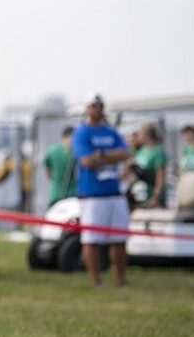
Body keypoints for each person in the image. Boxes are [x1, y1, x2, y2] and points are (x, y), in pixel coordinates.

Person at [71, 93, 131, 287]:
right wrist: (110, 156)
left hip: (114, 192)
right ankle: (95, 279)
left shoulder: (111, 131)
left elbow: (124, 153)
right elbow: (86, 160)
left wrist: (102, 155)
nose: (97, 109)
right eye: (93, 105)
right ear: (87, 108)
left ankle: (120, 278)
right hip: (92, 194)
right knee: (92, 239)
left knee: (119, 238)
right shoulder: (81, 133)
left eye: (100, 105)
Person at [131, 123, 168, 209]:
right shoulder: (141, 150)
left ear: (147, 135)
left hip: (151, 195)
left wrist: (155, 197)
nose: (138, 136)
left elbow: (160, 177)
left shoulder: (158, 151)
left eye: (140, 133)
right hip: (139, 195)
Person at [44, 126, 77, 206]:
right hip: (74, 197)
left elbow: (48, 174)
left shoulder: (52, 150)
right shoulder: (78, 151)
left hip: (56, 196)